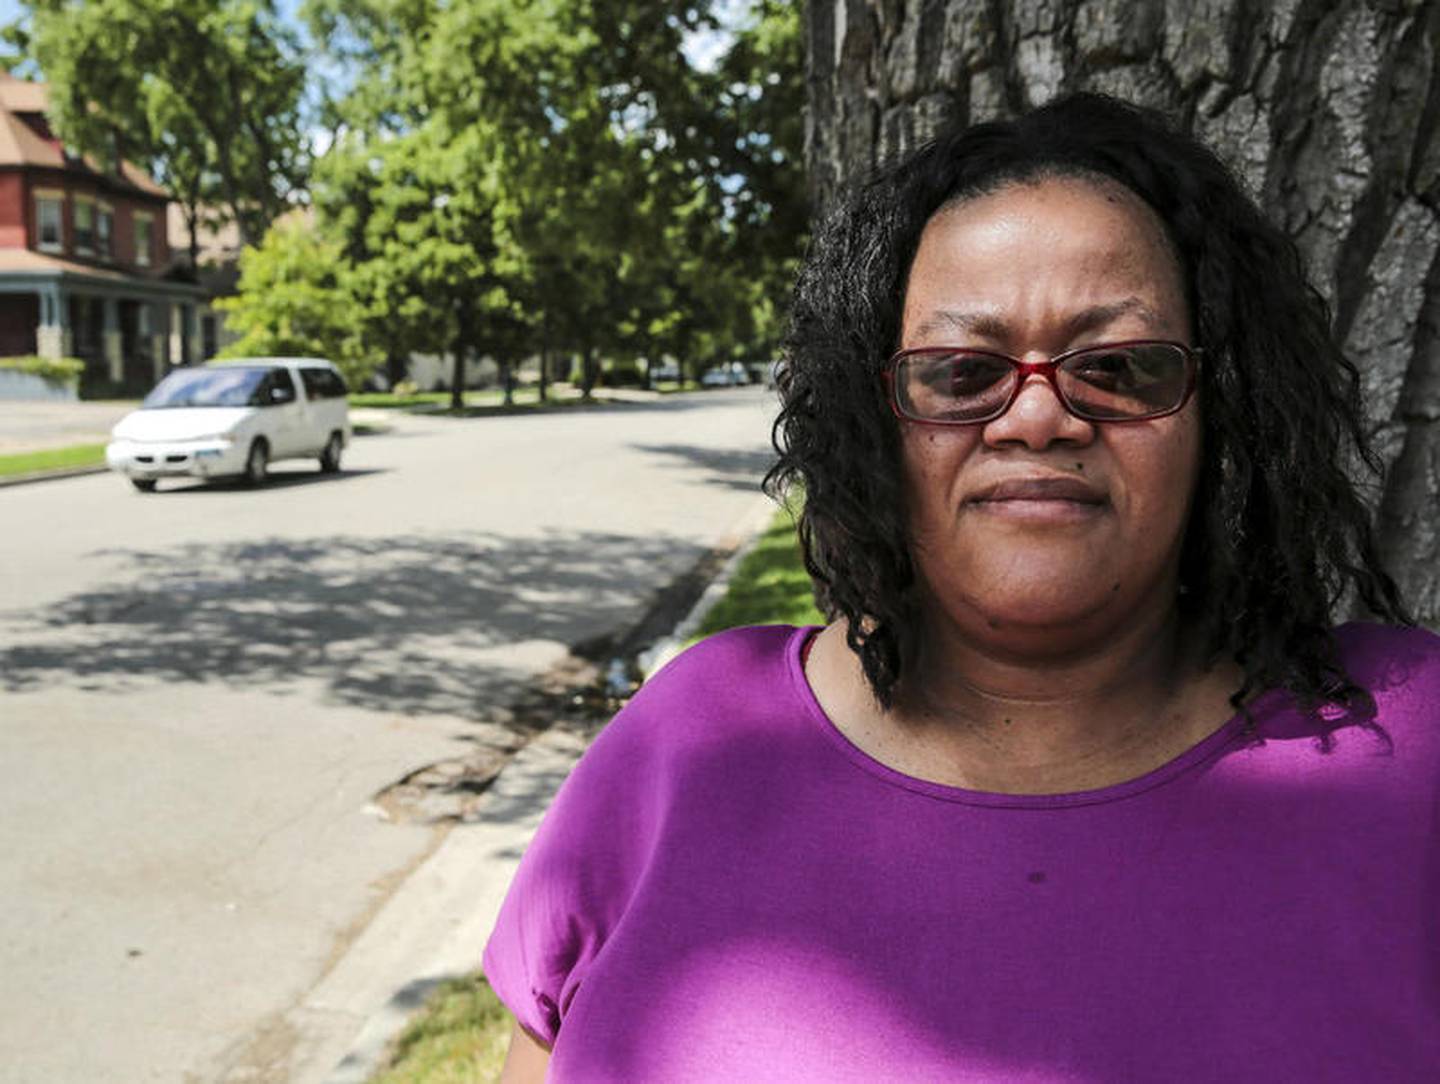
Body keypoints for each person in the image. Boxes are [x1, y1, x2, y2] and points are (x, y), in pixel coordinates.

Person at [484, 93, 1440, 1082]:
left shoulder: (1412, 747)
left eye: (1117, 365)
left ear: (1219, 414)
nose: (1036, 416)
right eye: (960, 371)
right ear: (876, 417)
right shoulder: (687, 737)